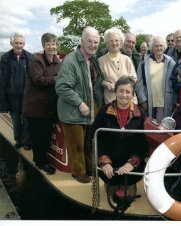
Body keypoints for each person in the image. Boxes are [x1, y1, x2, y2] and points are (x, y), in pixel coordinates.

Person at [55, 26, 104, 183]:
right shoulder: (71, 61)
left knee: (88, 141)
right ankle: (78, 172)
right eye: (89, 41)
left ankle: (89, 167)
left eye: (96, 42)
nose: (93, 44)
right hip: (73, 111)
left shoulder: (92, 59)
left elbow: (94, 82)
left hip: (89, 108)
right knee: (77, 145)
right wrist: (80, 103)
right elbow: (62, 87)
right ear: (82, 42)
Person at [91, 76, 148, 198]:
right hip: (110, 164)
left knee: (129, 195)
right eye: (121, 91)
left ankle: (127, 185)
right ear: (115, 92)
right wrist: (104, 162)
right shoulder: (104, 112)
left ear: (133, 95)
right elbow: (95, 139)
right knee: (111, 193)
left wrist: (132, 164)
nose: (124, 95)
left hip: (132, 164)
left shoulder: (141, 114)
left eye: (128, 92)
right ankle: (112, 185)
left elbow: (144, 143)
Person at [22, 33, 61, 174]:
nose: (51, 47)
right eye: (48, 44)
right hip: (36, 107)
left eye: (53, 44)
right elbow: (39, 80)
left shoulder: (57, 60)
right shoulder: (37, 61)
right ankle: (40, 162)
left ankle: (42, 158)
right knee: (38, 137)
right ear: (43, 46)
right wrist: (57, 78)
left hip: (50, 106)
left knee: (45, 135)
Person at [0, 32, 34, 150]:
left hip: (27, 96)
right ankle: (18, 140)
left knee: (26, 119)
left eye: (21, 43)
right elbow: (2, 79)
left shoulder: (30, 57)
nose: (19, 45)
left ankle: (26, 141)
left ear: (24, 44)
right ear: (11, 44)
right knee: (16, 120)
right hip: (12, 97)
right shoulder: (5, 58)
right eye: (16, 43)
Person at [135, 36, 176, 121]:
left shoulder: (171, 63)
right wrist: (143, 100)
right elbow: (139, 81)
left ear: (164, 47)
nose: (159, 48)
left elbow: (175, 83)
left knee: (161, 127)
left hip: (164, 102)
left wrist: (174, 101)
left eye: (161, 45)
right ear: (152, 47)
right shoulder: (144, 62)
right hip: (149, 101)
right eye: (156, 46)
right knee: (149, 126)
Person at [99, 28, 137, 104]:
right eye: (111, 41)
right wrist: (105, 83)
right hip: (111, 102)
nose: (114, 43)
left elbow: (134, 78)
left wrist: (124, 86)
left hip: (129, 102)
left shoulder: (127, 59)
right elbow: (98, 80)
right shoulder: (100, 61)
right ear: (107, 43)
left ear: (121, 42)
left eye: (116, 40)